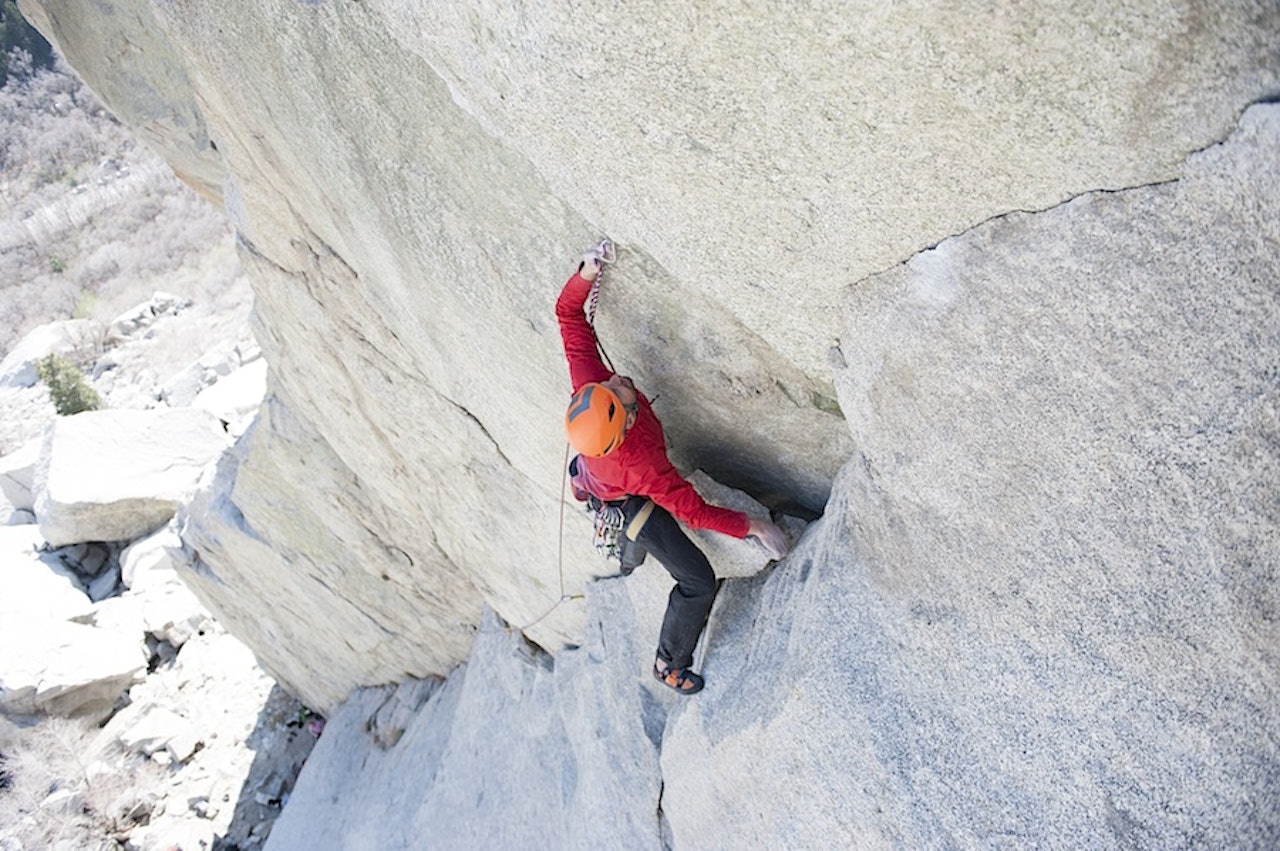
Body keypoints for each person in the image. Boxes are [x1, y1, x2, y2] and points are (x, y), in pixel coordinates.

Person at [556, 246, 789, 695]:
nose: (618, 381)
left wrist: (585, 274)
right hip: (624, 498)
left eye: (609, 385)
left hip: (601, 472)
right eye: (620, 395)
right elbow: (693, 512)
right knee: (697, 580)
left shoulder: (593, 390)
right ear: (624, 425)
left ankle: (627, 546)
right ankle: (668, 664)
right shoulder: (641, 466)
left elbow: (568, 316)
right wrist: (753, 526)